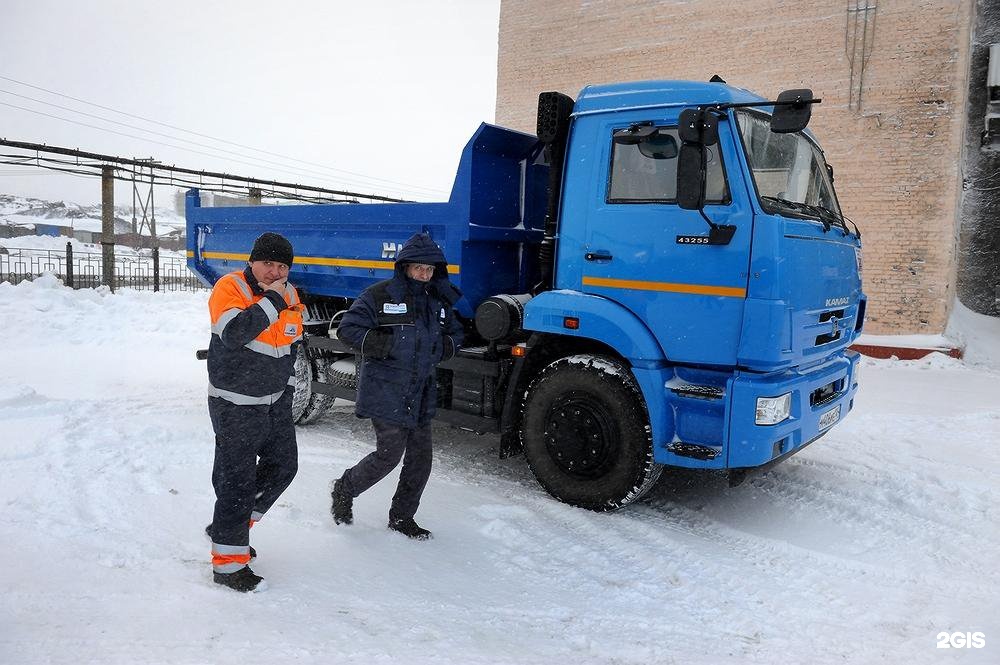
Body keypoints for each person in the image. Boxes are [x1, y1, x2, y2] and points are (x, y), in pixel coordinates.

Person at [331, 232, 463, 540]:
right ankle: (345, 487)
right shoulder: (380, 295)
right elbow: (347, 329)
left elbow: (456, 334)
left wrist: (443, 348)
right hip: (386, 387)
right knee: (389, 455)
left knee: (421, 459)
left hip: (421, 390)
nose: (423, 274)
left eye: (429, 269)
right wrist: (384, 344)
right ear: (403, 267)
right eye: (418, 268)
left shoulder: (438, 302)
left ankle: (402, 517)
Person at [205, 232, 303, 592]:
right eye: (268, 263)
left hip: (275, 403)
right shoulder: (230, 287)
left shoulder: (291, 296)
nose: (275, 272)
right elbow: (233, 333)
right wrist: (273, 300)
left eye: (282, 266)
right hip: (235, 403)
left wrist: (288, 391)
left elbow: (290, 348)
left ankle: (230, 527)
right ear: (252, 261)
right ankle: (229, 567)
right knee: (237, 483)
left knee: (283, 467)